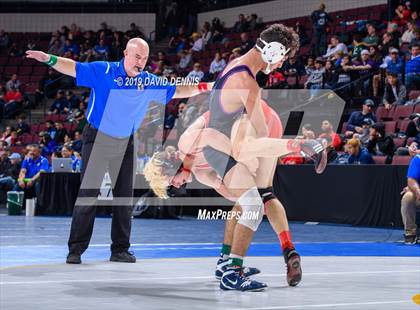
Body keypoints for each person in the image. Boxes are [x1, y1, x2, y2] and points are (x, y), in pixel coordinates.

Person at [26, 37, 213, 265]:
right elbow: (73, 67)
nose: (141, 62)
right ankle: (76, 249)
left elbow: (178, 90)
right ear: (126, 53)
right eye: (137, 57)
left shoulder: (148, 81)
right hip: (97, 139)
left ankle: (120, 249)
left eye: (144, 58)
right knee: (88, 195)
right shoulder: (104, 70)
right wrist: (48, 58)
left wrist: (208, 86)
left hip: (126, 142)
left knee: (124, 197)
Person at [200, 24, 325, 291]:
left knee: (254, 201)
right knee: (256, 204)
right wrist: (297, 145)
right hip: (223, 150)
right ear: (273, 51)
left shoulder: (237, 65)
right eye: (283, 57)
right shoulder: (248, 84)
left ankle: (227, 263)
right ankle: (232, 273)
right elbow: (258, 140)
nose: (281, 64)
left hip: (221, 145)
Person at [401, 149, 420, 244]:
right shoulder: (418, 159)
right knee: (408, 197)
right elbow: (411, 180)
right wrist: (417, 190)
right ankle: (410, 233)